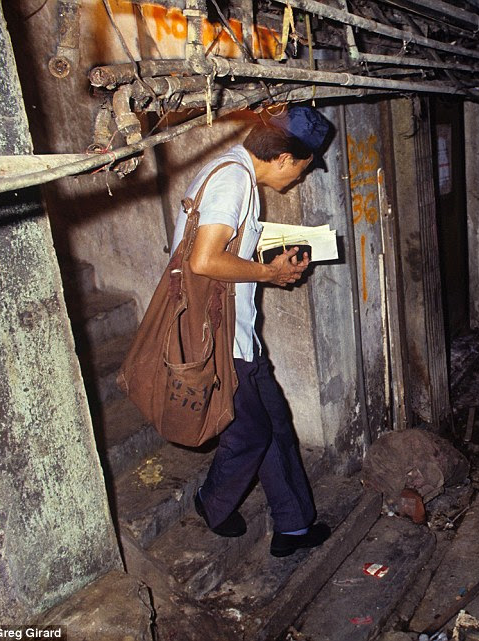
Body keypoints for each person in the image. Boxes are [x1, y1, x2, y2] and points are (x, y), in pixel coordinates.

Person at [172, 106, 332, 557]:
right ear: (283, 158)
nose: (300, 177)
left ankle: (294, 526)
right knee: (250, 434)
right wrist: (270, 274)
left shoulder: (236, 172)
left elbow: (225, 245)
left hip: (239, 332)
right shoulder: (233, 180)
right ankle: (213, 503)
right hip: (219, 339)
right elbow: (203, 260)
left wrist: (272, 255)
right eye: (303, 166)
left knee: (276, 423)